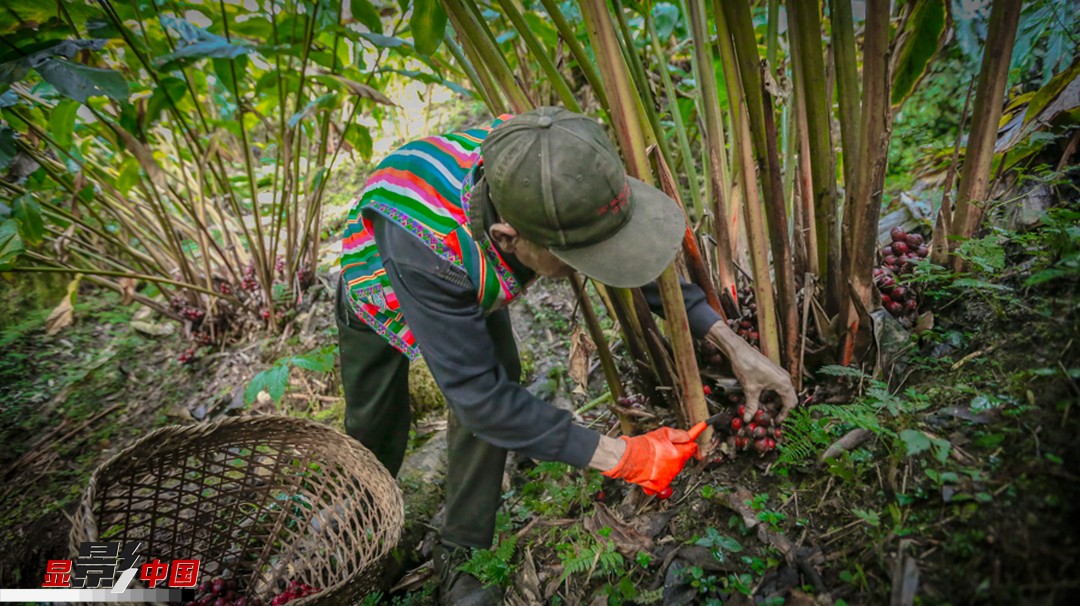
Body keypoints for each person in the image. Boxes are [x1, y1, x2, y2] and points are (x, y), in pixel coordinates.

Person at [335, 107, 797, 605]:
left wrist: (734, 346)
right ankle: (361, 537)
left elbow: (628, 259)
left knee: (502, 377)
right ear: (508, 238)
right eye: (574, 256)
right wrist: (627, 457)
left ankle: (462, 547)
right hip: (382, 287)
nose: (592, 266)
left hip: (469, 267)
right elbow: (476, 396)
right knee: (378, 423)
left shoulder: (547, 164)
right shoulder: (426, 247)